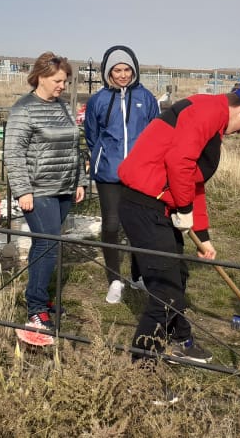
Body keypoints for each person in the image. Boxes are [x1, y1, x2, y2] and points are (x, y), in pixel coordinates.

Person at [117, 83, 240, 364]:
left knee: (178, 277)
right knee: (165, 291)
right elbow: (179, 162)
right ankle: (142, 372)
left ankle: (180, 339)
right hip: (144, 204)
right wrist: (183, 208)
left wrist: (202, 234)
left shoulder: (211, 117)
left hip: (160, 205)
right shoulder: (207, 112)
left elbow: (193, 182)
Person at [5, 52, 88, 345]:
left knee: (51, 243)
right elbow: (13, 153)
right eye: (57, 80)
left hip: (64, 187)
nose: (62, 86)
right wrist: (22, 189)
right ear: (40, 77)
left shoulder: (64, 107)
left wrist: (79, 180)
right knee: (48, 242)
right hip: (38, 190)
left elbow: (74, 146)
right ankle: (36, 308)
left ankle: (39, 298)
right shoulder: (23, 109)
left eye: (65, 81)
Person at [84, 45, 160, 304]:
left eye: (127, 69)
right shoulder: (99, 100)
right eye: (117, 70)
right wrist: (102, 157)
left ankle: (139, 276)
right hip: (109, 173)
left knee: (138, 225)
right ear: (108, 72)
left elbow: (155, 134)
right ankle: (115, 279)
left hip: (140, 174)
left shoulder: (146, 98)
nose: (123, 75)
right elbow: (92, 135)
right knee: (112, 225)